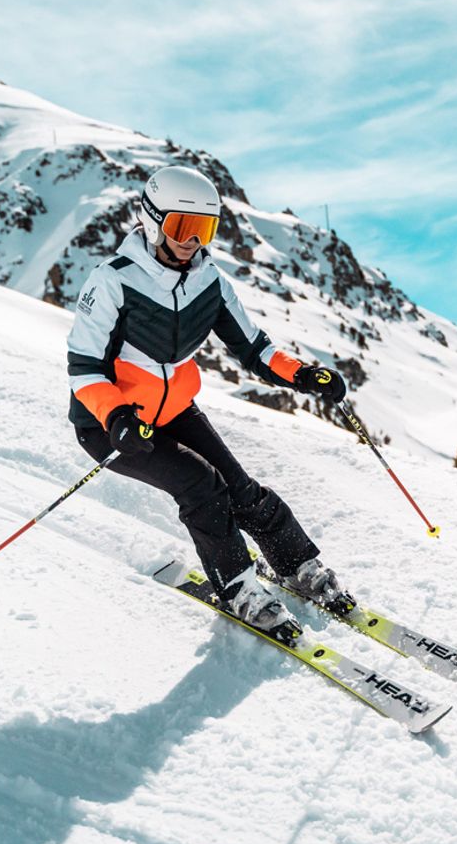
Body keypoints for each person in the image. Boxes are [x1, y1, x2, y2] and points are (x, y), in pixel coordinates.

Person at [66, 165, 351, 638]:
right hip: (110, 424)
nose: (192, 241)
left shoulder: (209, 281)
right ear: (154, 220)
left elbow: (255, 349)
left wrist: (303, 375)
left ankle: (298, 565)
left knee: (241, 489)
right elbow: (84, 368)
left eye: (204, 229)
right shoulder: (113, 280)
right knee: (202, 486)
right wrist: (115, 417)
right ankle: (238, 588)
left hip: (173, 409)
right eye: (182, 227)